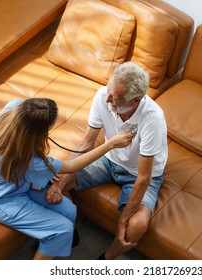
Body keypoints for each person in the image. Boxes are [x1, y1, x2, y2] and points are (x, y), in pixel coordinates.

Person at [0, 98, 133, 260]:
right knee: (62, 230)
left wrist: (48, 173)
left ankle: (51, 245)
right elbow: (72, 167)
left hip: (18, 184)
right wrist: (110, 145)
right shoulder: (31, 161)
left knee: (69, 210)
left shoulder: (13, 108)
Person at [49, 61, 168, 260]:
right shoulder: (103, 96)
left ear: (135, 101)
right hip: (107, 159)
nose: (107, 98)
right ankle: (68, 232)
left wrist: (123, 221)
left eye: (115, 98)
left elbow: (144, 177)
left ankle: (106, 259)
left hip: (138, 174)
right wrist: (59, 185)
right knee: (54, 180)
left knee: (136, 225)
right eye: (109, 90)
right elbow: (87, 143)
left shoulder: (152, 118)